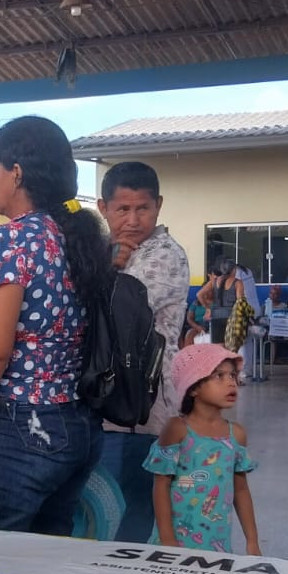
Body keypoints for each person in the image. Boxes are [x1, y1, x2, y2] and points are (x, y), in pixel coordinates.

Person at [0, 115, 107, 536]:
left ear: (16, 173)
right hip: (75, 422)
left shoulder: (12, 240)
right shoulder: (74, 238)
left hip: (19, 429)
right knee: (44, 569)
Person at [92, 161, 190, 543]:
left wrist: (106, 271)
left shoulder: (163, 254)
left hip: (142, 405)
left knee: (131, 507)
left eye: (143, 208)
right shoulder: (110, 251)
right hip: (110, 404)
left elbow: (118, 309)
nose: (133, 219)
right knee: (105, 502)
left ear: (159, 205)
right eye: (122, 209)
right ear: (103, 207)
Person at [146, 344, 261, 554]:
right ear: (194, 387)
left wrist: (252, 541)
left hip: (217, 547)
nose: (231, 382)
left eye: (233, 375)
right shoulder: (177, 429)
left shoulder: (236, 435)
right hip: (174, 545)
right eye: (219, 375)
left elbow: (241, 490)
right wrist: (167, 539)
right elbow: (161, 486)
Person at [196, 259, 244, 347]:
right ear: (234, 269)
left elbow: (199, 294)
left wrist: (207, 309)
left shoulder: (214, 281)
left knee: (218, 346)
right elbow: (240, 302)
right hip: (231, 316)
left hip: (216, 315)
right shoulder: (238, 283)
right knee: (231, 347)